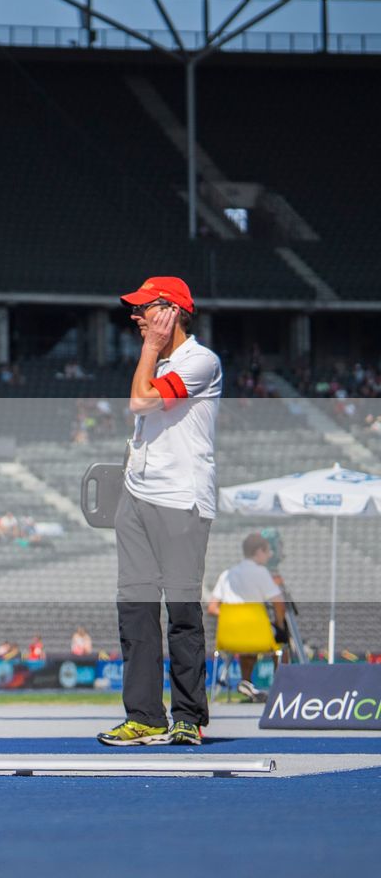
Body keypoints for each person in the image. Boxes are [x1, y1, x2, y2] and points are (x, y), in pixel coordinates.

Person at [99, 275, 222, 747]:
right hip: (138, 495)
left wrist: (150, 347)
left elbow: (140, 401)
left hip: (181, 499)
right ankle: (145, 716)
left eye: (144, 309)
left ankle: (188, 715)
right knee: (135, 610)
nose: (135, 317)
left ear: (170, 312)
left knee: (183, 612)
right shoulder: (163, 358)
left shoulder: (200, 361)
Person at [208, 532, 286, 702]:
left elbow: (212, 607)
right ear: (258, 551)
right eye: (267, 551)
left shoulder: (226, 574)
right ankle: (282, 690)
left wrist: (234, 619)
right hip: (258, 636)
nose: (269, 555)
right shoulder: (261, 573)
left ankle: (247, 684)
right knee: (282, 642)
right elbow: (280, 604)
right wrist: (280, 625)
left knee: (247, 641)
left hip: (230, 638)